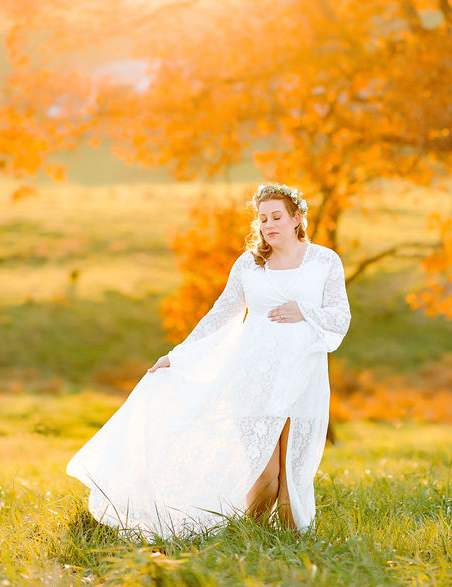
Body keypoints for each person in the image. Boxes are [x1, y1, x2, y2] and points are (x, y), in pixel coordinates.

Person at [66, 183, 351, 539]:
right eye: (262, 219)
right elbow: (220, 314)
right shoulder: (250, 264)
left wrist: (304, 311)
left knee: (292, 479)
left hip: (303, 377)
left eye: (277, 217)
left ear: (297, 219)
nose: (268, 225)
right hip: (254, 376)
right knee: (265, 477)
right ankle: (254, 541)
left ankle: (294, 550)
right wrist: (178, 356)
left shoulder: (324, 261)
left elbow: (340, 316)